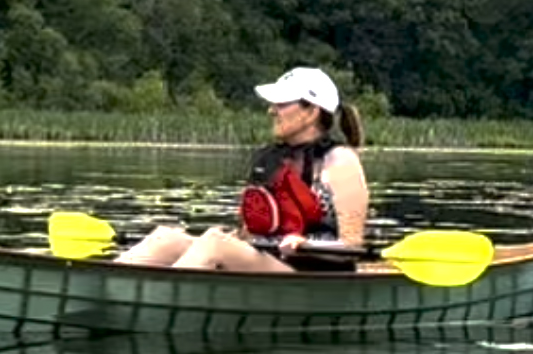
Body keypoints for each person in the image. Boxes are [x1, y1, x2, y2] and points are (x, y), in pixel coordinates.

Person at [117, 66, 369, 273]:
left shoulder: (340, 161)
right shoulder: (270, 159)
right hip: (264, 260)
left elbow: (351, 244)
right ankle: (109, 286)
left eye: (281, 103)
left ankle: (159, 297)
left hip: (310, 272)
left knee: (215, 244)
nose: (271, 110)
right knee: (167, 237)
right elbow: (249, 231)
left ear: (311, 112)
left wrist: (306, 243)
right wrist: (235, 236)